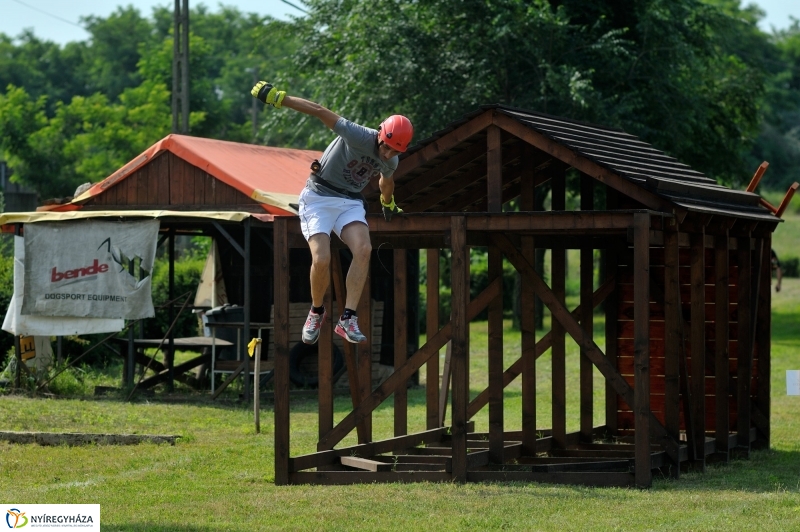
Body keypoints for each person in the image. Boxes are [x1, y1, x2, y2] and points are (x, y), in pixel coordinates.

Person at [251, 81, 413, 344]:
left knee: (363, 249)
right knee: (322, 258)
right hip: (319, 196)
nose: (388, 153)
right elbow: (319, 110)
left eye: (395, 151)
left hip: (349, 201)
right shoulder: (358, 135)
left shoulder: (392, 159)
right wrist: (280, 99)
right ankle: (316, 312)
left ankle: (348, 318)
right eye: (386, 147)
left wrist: (387, 202)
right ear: (380, 135)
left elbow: (386, 180)